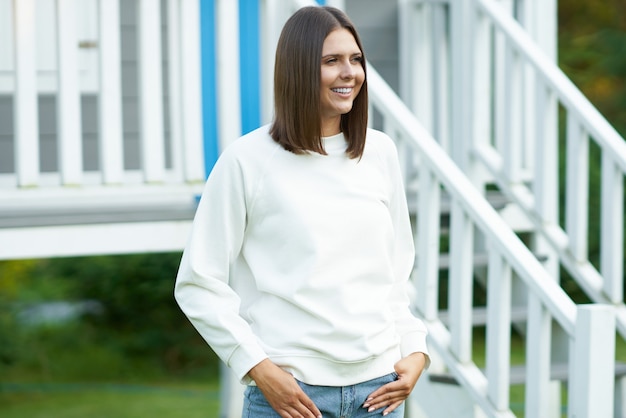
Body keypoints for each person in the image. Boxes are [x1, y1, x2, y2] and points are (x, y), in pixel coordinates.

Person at [175, 5, 429, 418]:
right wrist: (258, 368)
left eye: (356, 59)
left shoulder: (380, 152)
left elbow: (395, 274)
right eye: (332, 61)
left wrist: (415, 348)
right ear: (298, 69)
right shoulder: (247, 160)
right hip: (292, 398)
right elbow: (198, 283)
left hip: (379, 396)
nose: (350, 73)